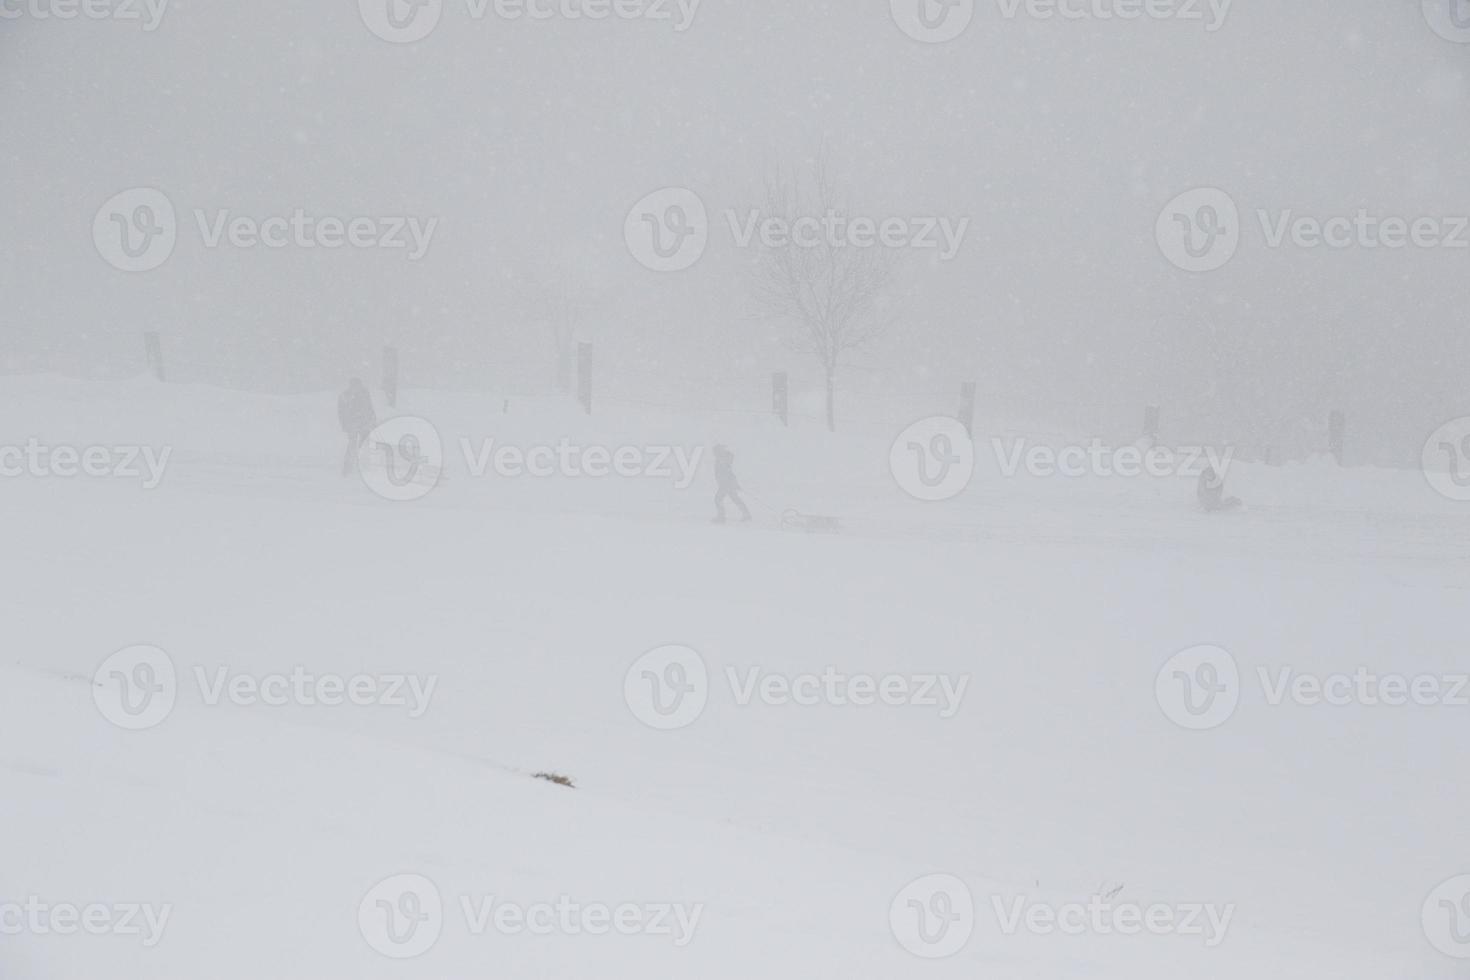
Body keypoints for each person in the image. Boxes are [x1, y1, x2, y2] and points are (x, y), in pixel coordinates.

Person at [338, 377, 377, 476]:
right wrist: (344, 424)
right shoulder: (346, 395)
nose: (356, 387)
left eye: (357, 385)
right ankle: (349, 468)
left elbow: (370, 407)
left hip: (361, 424)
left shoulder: (363, 393)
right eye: (355, 385)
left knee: (360, 445)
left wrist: (372, 420)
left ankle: (358, 467)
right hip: (354, 425)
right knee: (353, 445)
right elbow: (341, 412)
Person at [712, 444, 752, 524]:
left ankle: (721, 517)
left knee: (718, 499)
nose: (714, 453)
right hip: (727, 483)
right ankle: (746, 514)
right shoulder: (722, 459)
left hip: (726, 484)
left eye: (715, 451)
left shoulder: (722, 460)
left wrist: (732, 483)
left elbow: (727, 473)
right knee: (735, 498)